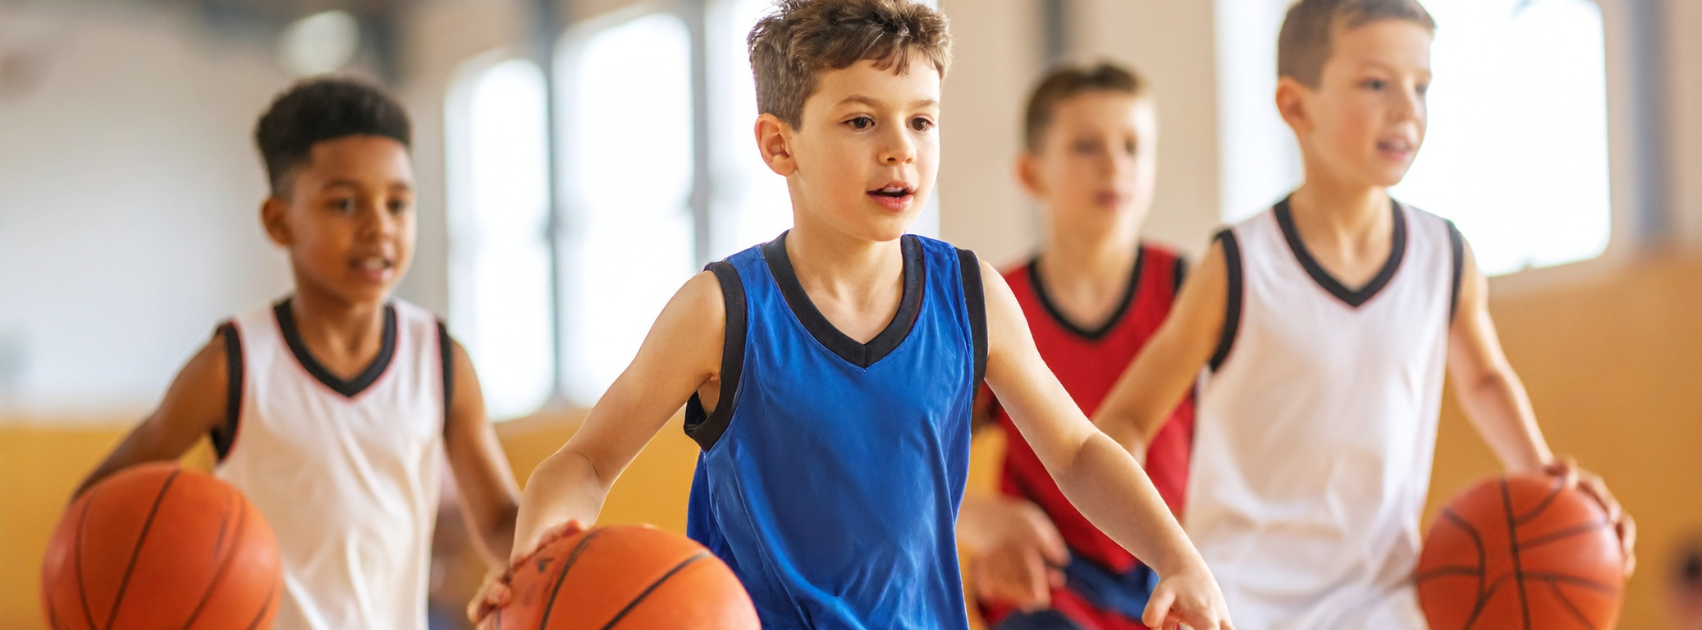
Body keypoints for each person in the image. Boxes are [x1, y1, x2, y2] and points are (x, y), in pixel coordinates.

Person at [468, 1, 1232, 629]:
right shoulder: (723, 311)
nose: (899, 150)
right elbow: (584, 463)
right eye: (862, 122)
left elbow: (1078, 454)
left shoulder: (970, 296)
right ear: (779, 144)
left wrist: (1179, 559)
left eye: (921, 122)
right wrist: (538, 559)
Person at [1090, 1, 1636, 627]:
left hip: (1384, 602)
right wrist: (1164, 549)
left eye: (1421, 85)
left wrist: (1546, 477)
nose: (1406, 107)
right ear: (1296, 106)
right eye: (1376, 83)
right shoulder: (1239, 264)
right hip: (1240, 599)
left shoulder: (1445, 256)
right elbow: (1125, 421)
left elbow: (1483, 377)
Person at [74, 77, 523, 630]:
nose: (378, 225)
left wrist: (553, 550)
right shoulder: (233, 364)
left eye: (398, 203)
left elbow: (501, 517)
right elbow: (98, 502)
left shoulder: (440, 360)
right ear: (279, 221)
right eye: (344, 203)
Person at [958, 62, 1194, 630]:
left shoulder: (1188, 289)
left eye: (1133, 146)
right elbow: (915, 457)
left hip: (1166, 572)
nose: (1114, 164)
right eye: (1087, 146)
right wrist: (975, 516)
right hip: (1050, 584)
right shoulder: (997, 301)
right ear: (1031, 172)